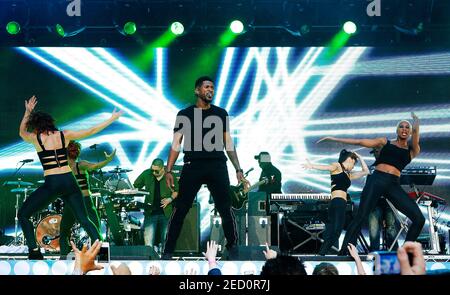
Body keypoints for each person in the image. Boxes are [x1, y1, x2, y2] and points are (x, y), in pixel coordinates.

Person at [18, 95, 122, 259]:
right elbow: (91, 131)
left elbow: (22, 132)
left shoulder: (37, 138)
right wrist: (111, 119)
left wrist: (27, 112)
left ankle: (34, 251)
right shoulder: (64, 135)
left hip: (53, 182)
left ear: (36, 126)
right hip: (69, 181)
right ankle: (101, 253)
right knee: (84, 219)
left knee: (23, 214)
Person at [162, 76, 247, 259]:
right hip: (193, 165)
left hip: (217, 164)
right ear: (197, 90)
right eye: (207, 87)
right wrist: (168, 170)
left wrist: (238, 169)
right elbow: (176, 143)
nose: (211, 90)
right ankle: (167, 251)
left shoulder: (221, 113)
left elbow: (228, 142)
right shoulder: (184, 114)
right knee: (181, 208)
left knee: (225, 208)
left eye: (212, 88)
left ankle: (233, 248)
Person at [317, 113, 425, 255]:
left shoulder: (413, 150)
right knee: (361, 216)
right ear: (396, 130)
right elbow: (360, 142)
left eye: (407, 127)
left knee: (419, 219)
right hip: (377, 179)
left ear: (410, 132)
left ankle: (404, 253)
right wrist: (334, 138)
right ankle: (344, 252)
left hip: (393, 184)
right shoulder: (384, 142)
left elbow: (416, 136)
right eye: (401, 126)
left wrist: (416, 122)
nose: (404, 129)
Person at [303, 150, 369, 255]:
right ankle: (323, 253)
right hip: (337, 202)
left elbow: (366, 171)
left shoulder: (349, 175)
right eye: (353, 163)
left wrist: (360, 157)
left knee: (349, 227)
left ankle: (341, 251)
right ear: (349, 160)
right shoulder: (337, 166)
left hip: (341, 204)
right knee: (336, 231)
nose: (353, 167)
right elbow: (326, 167)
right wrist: (312, 166)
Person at [59, 141, 116, 257]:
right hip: (84, 200)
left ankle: (63, 256)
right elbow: (96, 166)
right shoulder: (80, 165)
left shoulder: (63, 168)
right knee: (95, 228)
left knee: (64, 231)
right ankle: (104, 257)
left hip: (72, 201)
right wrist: (109, 159)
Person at [133, 158, 179, 253]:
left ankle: (164, 259)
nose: (154, 172)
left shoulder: (170, 175)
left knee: (166, 239)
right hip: (150, 212)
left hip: (166, 212)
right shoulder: (147, 174)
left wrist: (170, 199)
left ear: (162, 169)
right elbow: (136, 185)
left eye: (156, 171)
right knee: (148, 241)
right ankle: (149, 260)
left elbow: (177, 191)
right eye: (152, 170)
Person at [367, 148, 399, 251]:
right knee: (374, 228)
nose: (375, 154)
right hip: (375, 202)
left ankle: (394, 252)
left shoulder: (393, 166)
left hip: (389, 201)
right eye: (374, 153)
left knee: (391, 227)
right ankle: (374, 253)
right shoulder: (371, 168)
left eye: (377, 152)